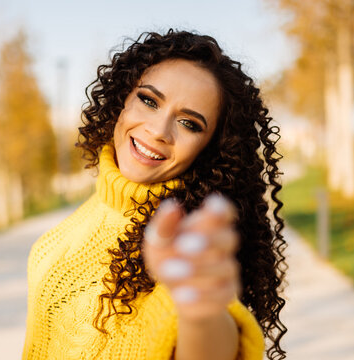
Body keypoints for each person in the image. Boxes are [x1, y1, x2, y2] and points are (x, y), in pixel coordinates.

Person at [22, 29, 287, 360]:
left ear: (209, 150)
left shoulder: (182, 242)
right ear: (122, 100)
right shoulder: (99, 205)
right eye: (149, 100)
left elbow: (211, 338)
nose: (158, 131)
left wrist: (201, 312)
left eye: (190, 123)